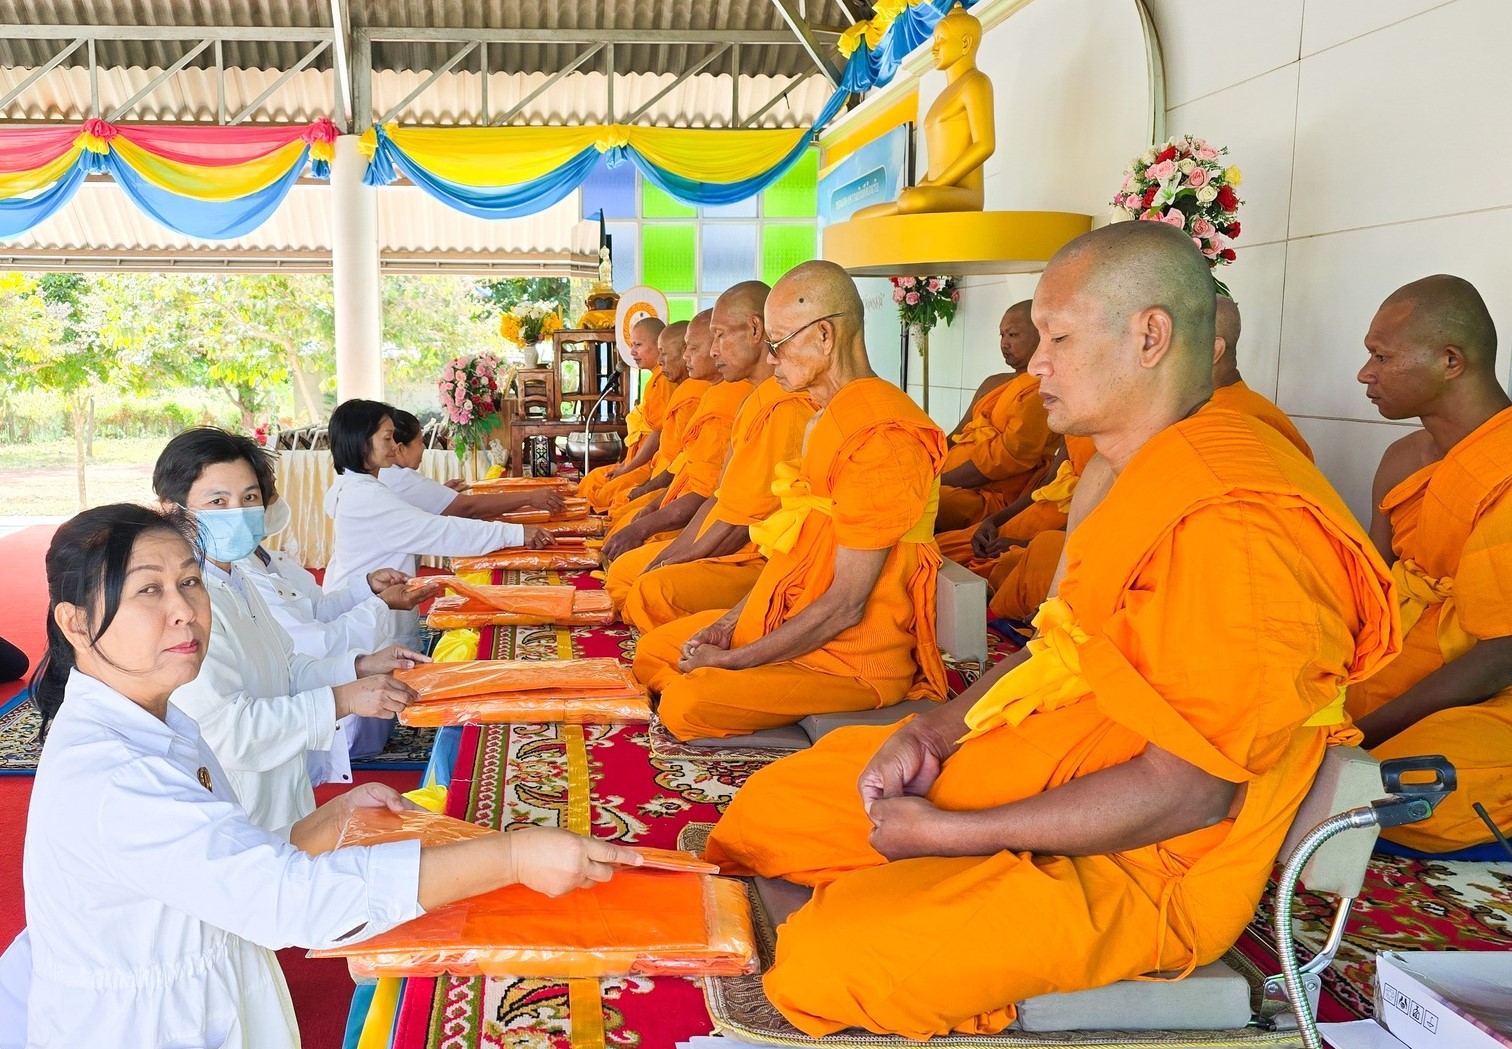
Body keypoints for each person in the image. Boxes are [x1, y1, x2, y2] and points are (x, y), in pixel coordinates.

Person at [699, 222, 1398, 1038]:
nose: (1034, 363)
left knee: (826, 959)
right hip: (1039, 759)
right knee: (767, 811)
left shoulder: (1239, 523)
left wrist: (956, 835)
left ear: (1150, 336)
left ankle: (905, 895)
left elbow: (1188, 791)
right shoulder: (1131, 471)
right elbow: (1057, 645)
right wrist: (933, 730)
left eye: (1058, 338)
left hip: (1137, 863)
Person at [8, 503, 637, 1049]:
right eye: (149, 590)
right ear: (76, 623)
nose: (184, 611)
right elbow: (285, 901)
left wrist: (323, 821)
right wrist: (513, 856)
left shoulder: (156, 718)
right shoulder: (117, 774)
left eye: (190, 582)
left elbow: (213, 864)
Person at [634, 262, 950, 740]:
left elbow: (846, 606)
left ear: (824, 335)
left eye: (778, 344)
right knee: (655, 652)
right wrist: (730, 623)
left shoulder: (884, 437)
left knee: (687, 701)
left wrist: (735, 660)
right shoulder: (823, 418)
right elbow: (794, 552)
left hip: (849, 658)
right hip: (784, 614)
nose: (771, 358)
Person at [961, 293, 1315, 624]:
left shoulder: (1239, 422)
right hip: (1105, 545)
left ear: (1211, 352)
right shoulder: (1179, 413)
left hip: (1203, 597)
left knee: (1041, 560)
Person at [153, 428, 423, 828]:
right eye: (218, 501)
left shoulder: (237, 576)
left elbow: (287, 666)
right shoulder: (185, 605)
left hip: (280, 787)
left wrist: (361, 667)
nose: (239, 512)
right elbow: (231, 731)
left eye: (249, 498)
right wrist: (341, 700)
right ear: (173, 510)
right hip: (237, 803)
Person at [1345, 274, 1512, 853]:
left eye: (1381, 356)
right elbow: (1369, 589)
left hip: (1489, 695)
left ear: (1450, 361)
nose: (1365, 373)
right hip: (1391, 664)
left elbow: (1501, 654)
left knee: (1402, 781)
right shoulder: (1401, 459)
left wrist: (1360, 735)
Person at [608, 282, 818, 631]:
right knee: (633, 574)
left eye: (719, 336)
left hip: (759, 559)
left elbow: (742, 522)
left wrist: (678, 558)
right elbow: (719, 496)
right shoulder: (753, 400)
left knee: (647, 591)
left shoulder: (783, 407)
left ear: (756, 330)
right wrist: (674, 554)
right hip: (721, 541)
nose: (713, 349)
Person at [322, 399, 551, 646]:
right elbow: (441, 532)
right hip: (367, 621)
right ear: (361, 442)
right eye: (387, 438)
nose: (395, 446)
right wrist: (515, 534)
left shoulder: (358, 487)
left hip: (363, 602)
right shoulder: (369, 497)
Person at [603, 309, 736, 548]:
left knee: (617, 511)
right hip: (674, 482)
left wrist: (680, 553)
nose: (685, 357)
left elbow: (711, 489)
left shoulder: (717, 397)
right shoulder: (706, 393)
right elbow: (682, 462)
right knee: (614, 505)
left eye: (692, 349)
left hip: (708, 512)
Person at [852, 3, 994, 217]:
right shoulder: (945, 95)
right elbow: (941, 161)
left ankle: (908, 203)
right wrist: (923, 185)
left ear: (965, 43)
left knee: (913, 201)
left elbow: (985, 145)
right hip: (937, 189)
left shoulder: (976, 83)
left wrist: (937, 184)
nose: (934, 48)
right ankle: (907, 203)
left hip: (965, 193)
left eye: (941, 40)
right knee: (859, 216)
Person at [933, 301, 1058, 533]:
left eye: (1013, 335)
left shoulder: (1043, 389)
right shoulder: (992, 382)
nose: (1004, 343)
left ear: (1041, 335)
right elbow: (958, 433)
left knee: (915, 506)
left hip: (989, 494)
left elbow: (1009, 458)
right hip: (947, 479)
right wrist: (926, 467)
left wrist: (939, 482)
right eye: (1002, 335)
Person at [381, 408, 566, 518]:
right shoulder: (402, 478)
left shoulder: (387, 473)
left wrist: (441, 494)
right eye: (420, 442)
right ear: (400, 448)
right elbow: (470, 507)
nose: (423, 448)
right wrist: (529, 498)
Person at [609, 320, 708, 514]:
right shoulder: (685, 389)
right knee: (609, 497)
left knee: (616, 505)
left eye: (638, 345)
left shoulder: (693, 392)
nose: (660, 361)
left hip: (681, 487)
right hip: (663, 472)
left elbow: (687, 462)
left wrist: (643, 486)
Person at [577, 317, 671, 511]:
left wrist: (628, 468)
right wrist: (625, 466)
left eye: (638, 345)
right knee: (592, 480)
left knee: (605, 494)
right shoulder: (655, 380)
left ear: (660, 345)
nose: (632, 352)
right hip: (638, 461)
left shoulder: (665, 380)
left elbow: (657, 435)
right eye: (631, 345)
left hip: (652, 465)